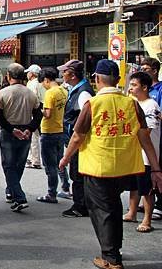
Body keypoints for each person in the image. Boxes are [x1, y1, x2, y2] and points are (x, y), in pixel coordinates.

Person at [59, 59, 162, 269]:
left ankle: (111, 258)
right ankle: (115, 248)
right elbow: (145, 138)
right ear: (118, 80)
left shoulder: (93, 104)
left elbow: (77, 137)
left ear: (97, 78)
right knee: (113, 207)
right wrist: (156, 168)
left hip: (98, 167)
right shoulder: (131, 104)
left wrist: (66, 157)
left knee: (101, 210)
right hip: (124, 167)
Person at [0, 63, 42, 211]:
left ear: (8, 76)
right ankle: (11, 191)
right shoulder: (30, 93)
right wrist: (30, 129)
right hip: (25, 131)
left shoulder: (3, 93)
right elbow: (38, 114)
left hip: (10, 131)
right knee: (18, 164)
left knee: (9, 165)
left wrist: (11, 129)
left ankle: (19, 197)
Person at [123, 71, 160, 233]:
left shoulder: (151, 105)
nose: (131, 88)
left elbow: (147, 132)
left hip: (147, 154)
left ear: (144, 87)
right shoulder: (133, 103)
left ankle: (147, 219)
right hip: (135, 152)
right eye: (130, 85)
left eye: (134, 85)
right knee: (135, 185)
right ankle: (132, 212)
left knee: (147, 189)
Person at [58, 59, 94, 218]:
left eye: (64, 72)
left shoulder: (83, 92)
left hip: (80, 142)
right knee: (77, 173)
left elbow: (87, 119)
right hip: (75, 139)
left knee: (78, 175)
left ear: (72, 75)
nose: (62, 74)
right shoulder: (76, 89)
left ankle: (81, 206)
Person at [36, 67, 70, 203]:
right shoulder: (63, 91)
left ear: (46, 80)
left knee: (50, 165)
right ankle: (66, 187)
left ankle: (52, 193)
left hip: (48, 131)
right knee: (59, 161)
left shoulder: (50, 93)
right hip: (60, 129)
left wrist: (39, 108)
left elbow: (48, 114)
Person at [139, 57, 162, 220]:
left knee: (156, 169)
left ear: (154, 71)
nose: (142, 70)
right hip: (143, 138)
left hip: (156, 136)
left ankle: (159, 204)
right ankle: (144, 202)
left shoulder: (160, 90)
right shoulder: (140, 91)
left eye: (146, 68)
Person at [25, 64, 45, 169]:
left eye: (28, 72)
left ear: (32, 74)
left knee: (33, 136)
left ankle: (35, 160)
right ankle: (32, 157)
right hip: (40, 111)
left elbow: (31, 99)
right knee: (35, 135)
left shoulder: (32, 84)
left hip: (33, 111)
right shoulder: (41, 84)